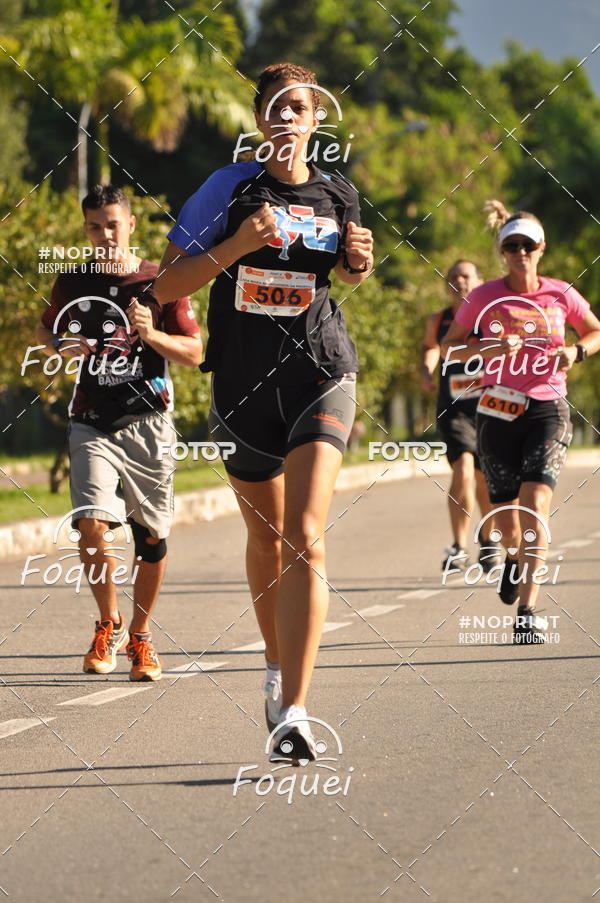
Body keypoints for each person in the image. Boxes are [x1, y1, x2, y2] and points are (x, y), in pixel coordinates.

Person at [154, 63, 373, 760]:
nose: (286, 117)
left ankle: (297, 711)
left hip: (320, 371)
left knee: (307, 533)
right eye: (274, 107)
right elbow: (167, 283)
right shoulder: (229, 189)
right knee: (268, 538)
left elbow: (343, 272)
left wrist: (358, 262)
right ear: (259, 120)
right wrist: (238, 244)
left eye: (299, 106)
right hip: (243, 386)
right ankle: (276, 672)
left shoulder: (338, 192)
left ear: (314, 120)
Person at [37, 184, 202, 679]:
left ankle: (141, 637)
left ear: (130, 225)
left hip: (149, 423)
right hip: (91, 420)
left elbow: (195, 353)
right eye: (94, 226)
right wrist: (59, 344)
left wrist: (151, 334)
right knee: (91, 522)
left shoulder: (163, 282)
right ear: (85, 229)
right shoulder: (71, 281)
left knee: (149, 537)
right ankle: (107, 622)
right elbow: (46, 329)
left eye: (113, 224)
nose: (104, 234)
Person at [441, 200, 600, 642]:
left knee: (536, 507)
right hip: (496, 411)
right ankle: (512, 557)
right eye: (511, 246)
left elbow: (594, 329)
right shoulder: (482, 297)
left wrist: (576, 351)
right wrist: (489, 349)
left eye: (527, 245)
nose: (520, 253)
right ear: (502, 252)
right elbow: (453, 348)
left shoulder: (560, 293)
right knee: (508, 519)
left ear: (540, 248)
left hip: (548, 407)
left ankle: (528, 611)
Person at [421, 260, 500, 574]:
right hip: (453, 408)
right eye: (453, 276)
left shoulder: (492, 319)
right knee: (464, 470)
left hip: (490, 408)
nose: (459, 281)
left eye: (466, 275)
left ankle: (489, 538)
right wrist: (426, 369)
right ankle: (458, 546)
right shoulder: (438, 319)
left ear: (480, 281)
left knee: (486, 478)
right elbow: (430, 347)